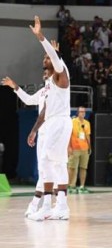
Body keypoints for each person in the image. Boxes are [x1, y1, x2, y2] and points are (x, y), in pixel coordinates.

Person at [26, 16, 73, 221]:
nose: (45, 60)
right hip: (54, 121)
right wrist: (35, 129)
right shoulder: (49, 82)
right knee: (54, 163)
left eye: (48, 58)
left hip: (60, 121)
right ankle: (56, 206)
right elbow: (43, 110)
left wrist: (40, 37)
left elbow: (55, 58)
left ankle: (52, 206)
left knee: (50, 161)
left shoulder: (61, 73)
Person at [2, 68, 50, 216]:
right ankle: (43, 205)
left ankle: (42, 204)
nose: (44, 72)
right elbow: (29, 100)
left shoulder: (57, 89)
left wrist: (33, 130)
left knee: (50, 167)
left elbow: (45, 113)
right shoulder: (43, 91)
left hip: (51, 130)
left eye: (48, 70)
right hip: (42, 132)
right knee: (44, 168)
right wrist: (15, 87)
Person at [68, 107, 91, 194]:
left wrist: (90, 147)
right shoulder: (72, 121)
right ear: (77, 113)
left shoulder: (87, 123)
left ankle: (82, 186)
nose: (83, 113)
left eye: (84, 112)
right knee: (72, 167)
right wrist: (69, 147)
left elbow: (88, 136)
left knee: (83, 168)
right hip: (74, 148)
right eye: (81, 112)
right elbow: (69, 134)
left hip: (84, 149)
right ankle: (70, 185)